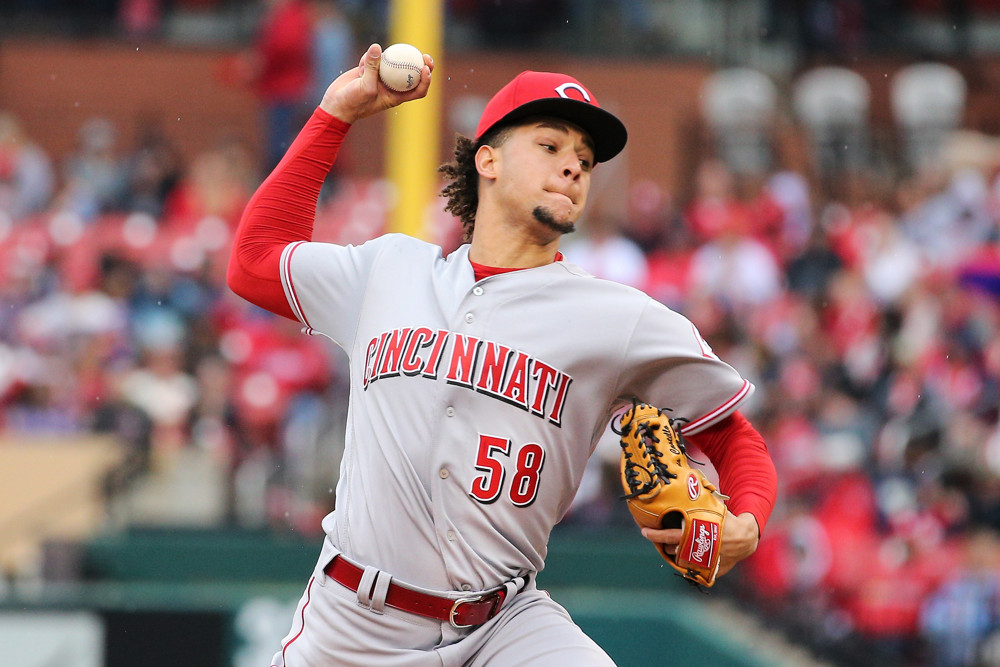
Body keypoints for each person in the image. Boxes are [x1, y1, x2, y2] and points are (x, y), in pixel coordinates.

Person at [227, 43, 778, 666]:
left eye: (585, 160)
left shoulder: (617, 320)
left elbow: (734, 437)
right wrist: (335, 113)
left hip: (504, 629)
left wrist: (747, 523)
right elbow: (252, 262)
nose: (573, 167)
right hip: (352, 624)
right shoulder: (389, 271)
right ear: (486, 158)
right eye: (550, 146)